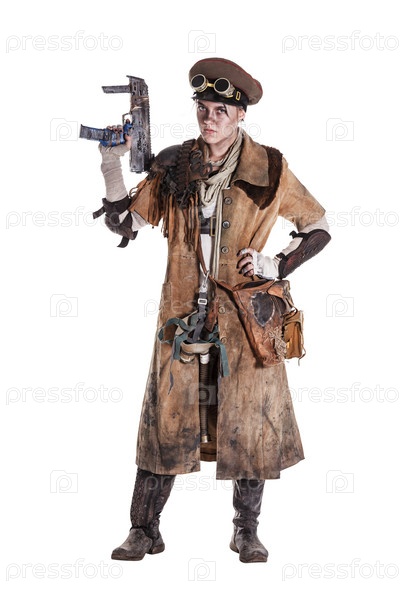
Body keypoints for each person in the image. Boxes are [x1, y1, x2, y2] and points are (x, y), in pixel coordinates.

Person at [95, 57, 331, 563]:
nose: (210, 118)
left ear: (241, 114)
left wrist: (276, 263)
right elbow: (126, 225)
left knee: (248, 423)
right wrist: (112, 166)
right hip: (179, 318)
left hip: (245, 320)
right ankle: (144, 530)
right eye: (203, 107)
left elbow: (319, 226)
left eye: (221, 109)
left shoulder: (269, 169)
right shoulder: (174, 166)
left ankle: (246, 531)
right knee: (165, 421)